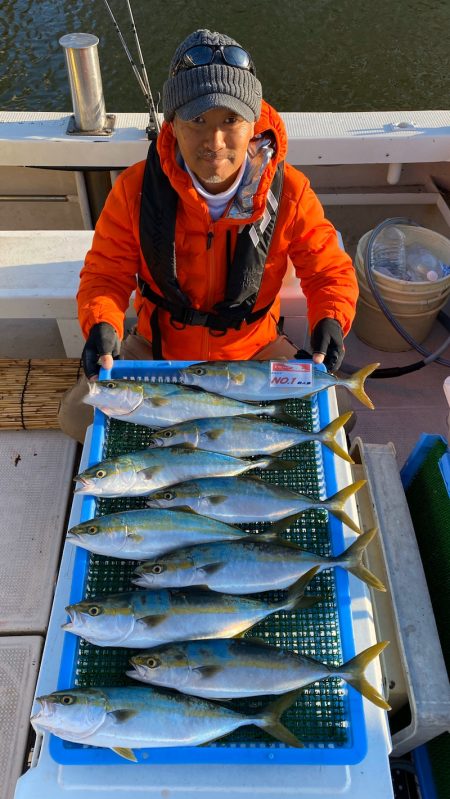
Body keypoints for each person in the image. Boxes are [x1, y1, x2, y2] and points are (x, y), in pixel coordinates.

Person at [59, 28, 358, 442]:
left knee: (338, 415)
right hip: (158, 351)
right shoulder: (134, 189)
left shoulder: (290, 192)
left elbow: (328, 271)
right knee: (76, 418)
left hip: (253, 353)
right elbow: (105, 275)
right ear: (172, 123)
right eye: (197, 120)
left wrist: (331, 318)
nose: (214, 141)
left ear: (253, 121)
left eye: (230, 120)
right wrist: (101, 325)